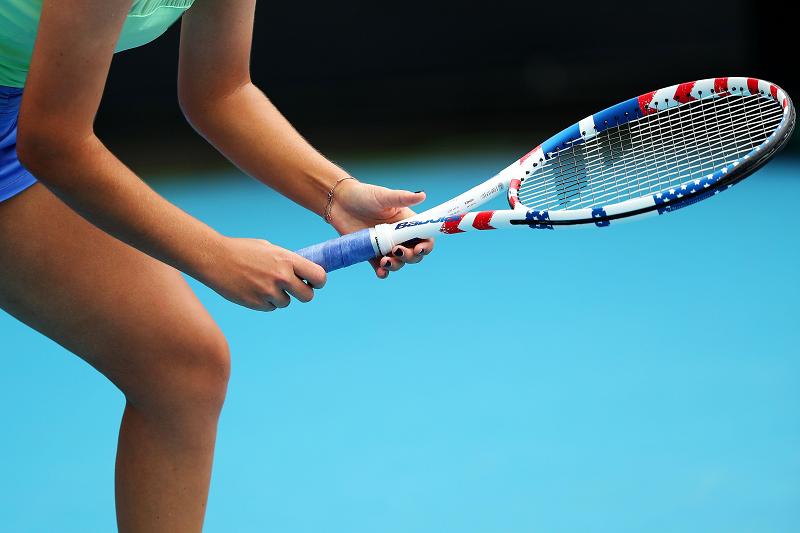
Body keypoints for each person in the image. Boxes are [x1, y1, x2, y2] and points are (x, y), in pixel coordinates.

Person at [0, 0, 434, 531]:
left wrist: (337, 195)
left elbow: (221, 92)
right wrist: (215, 254)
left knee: (181, 365)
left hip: (9, 124)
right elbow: (53, 143)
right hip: (32, 134)